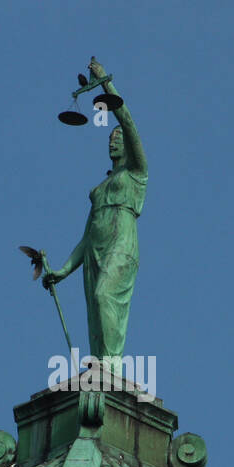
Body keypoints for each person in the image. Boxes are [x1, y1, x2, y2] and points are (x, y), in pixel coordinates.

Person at [42, 58, 147, 377]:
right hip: (95, 250)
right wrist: (62, 270)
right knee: (95, 315)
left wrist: (105, 85)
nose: (112, 140)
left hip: (122, 244)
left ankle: (113, 366)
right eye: (109, 138)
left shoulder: (136, 175)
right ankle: (102, 365)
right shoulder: (100, 189)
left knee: (105, 297)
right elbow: (87, 236)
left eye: (117, 138)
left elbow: (128, 124)